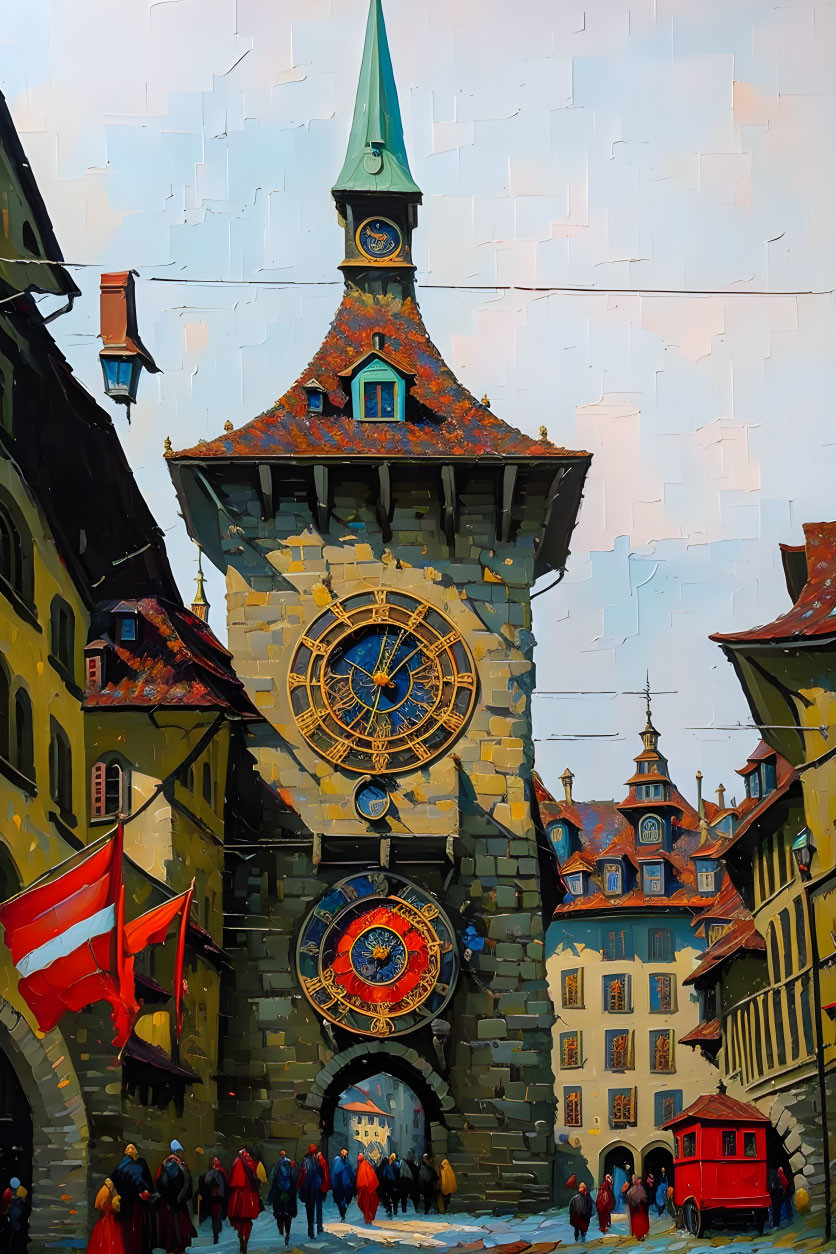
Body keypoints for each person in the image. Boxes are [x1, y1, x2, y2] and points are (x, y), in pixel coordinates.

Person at [154, 1141, 196, 1254]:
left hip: (170, 1202)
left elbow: (161, 1184)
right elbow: (187, 1184)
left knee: (172, 1228)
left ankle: (174, 1248)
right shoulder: (182, 1166)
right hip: (178, 1201)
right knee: (179, 1227)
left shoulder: (167, 1166)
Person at [112, 1145, 153, 1254]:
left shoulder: (141, 1162)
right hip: (127, 1200)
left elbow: (147, 1179)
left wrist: (147, 1192)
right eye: (127, 1148)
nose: (129, 1150)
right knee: (129, 1227)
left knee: (140, 1227)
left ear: (136, 1151)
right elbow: (115, 1179)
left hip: (139, 1201)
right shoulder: (123, 1164)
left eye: (132, 1148)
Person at [226, 1148, 266, 1254]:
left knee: (239, 1219)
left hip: (238, 1194)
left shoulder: (237, 1161)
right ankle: (245, 1241)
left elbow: (231, 1179)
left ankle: (241, 1239)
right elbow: (261, 1177)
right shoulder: (253, 1162)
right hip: (250, 1195)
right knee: (248, 1221)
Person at [297, 1144, 329, 1240]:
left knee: (311, 1210)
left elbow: (302, 1176)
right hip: (313, 1189)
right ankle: (315, 1230)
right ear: (315, 1153)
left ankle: (312, 1231)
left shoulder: (308, 1161)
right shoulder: (313, 1162)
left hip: (311, 1189)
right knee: (314, 1209)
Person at [267, 1151, 298, 1247]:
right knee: (287, 1216)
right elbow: (294, 1185)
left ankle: (281, 1233)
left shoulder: (277, 1170)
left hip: (279, 1196)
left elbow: (273, 1185)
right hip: (288, 1197)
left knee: (280, 1216)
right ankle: (287, 1233)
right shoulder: (291, 1173)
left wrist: (270, 1199)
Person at [197, 1157, 229, 1246]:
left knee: (215, 1218)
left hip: (212, 1201)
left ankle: (217, 1237)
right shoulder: (218, 1174)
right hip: (216, 1200)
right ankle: (217, 1238)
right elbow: (223, 1189)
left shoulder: (209, 1174)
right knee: (216, 1219)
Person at [87, 1178, 124, 1254]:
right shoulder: (109, 1191)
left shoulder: (105, 1190)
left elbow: (97, 1205)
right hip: (110, 1221)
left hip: (106, 1220)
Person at [330, 1149, 355, 1223]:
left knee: (345, 1200)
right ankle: (342, 1214)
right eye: (343, 1152)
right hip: (339, 1185)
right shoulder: (337, 1160)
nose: (344, 1153)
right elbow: (333, 1172)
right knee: (340, 1201)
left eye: (345, 1152)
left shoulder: (346, 1163)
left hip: (345, 1185)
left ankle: (343, 1213)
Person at [355, 1154, 379, 1225]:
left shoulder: (362, 1167)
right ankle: (369, 1219)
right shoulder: (367, 1166)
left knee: (365, 1205)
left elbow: (361, 1181)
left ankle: (367, 1219)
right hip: (370, 1190)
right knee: (369, 1205)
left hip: (365, 1190)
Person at [626, 1175, 649, 1242]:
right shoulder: (639, 1189)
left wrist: (632, 1203)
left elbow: (628, 1196)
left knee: (639, 1222)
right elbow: (644, 1198)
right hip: (639, 1210)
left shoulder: (634, 1189)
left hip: (637, 1210)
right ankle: (640, 1235)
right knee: (639, 1222)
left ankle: (639, 1234)